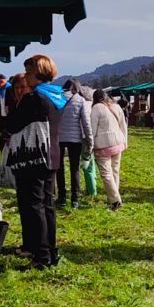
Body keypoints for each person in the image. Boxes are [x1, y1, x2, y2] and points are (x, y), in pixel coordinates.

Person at [4, 54, 67, 269]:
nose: (27, 77)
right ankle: (51, 249)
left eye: (29, 72)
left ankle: (40, 255)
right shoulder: (56, 96)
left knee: (34, 205)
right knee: (47, 205)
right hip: (52, 155)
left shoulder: (34, 99)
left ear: (38, 73)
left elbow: (13, 124)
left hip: (33, 157)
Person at [55, 78, 92, 209]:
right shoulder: (80, 100)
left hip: (58, 138)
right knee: (74, 169)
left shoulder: (57, 98)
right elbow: (86, 123)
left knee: (58, 169)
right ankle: (74, 199)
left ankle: (61, 197)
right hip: (75, 139)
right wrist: (89, 139)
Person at [91, 86, 128, 209]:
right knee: (115, 171)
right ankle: (112, 198)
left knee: (106, 173)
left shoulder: (96, 108)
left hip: (103, 145)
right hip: (118, 143)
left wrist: (90, 145)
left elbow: (92, 129)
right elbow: (123, 125)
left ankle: (115, 200)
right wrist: (125, 142)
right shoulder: (116, 107)